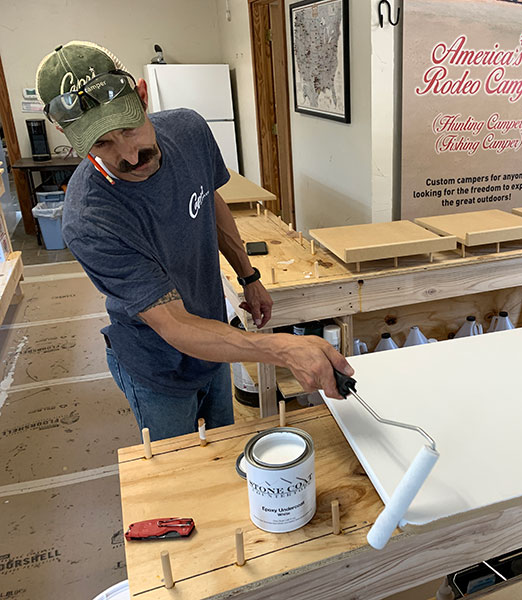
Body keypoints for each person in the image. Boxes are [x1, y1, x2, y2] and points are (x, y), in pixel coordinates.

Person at [35, 41, 352, 441]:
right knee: (178, 474)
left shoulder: (189, 130)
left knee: (223, 452)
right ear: (68, 134)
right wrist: (284, 349)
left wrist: (248, 275)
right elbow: (175, 324)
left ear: (142, 96)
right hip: (156, 366)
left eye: (129, 129)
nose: (129, 155)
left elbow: (209, 199)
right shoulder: (90, 219)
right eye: (102, 144)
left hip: (214, 343)